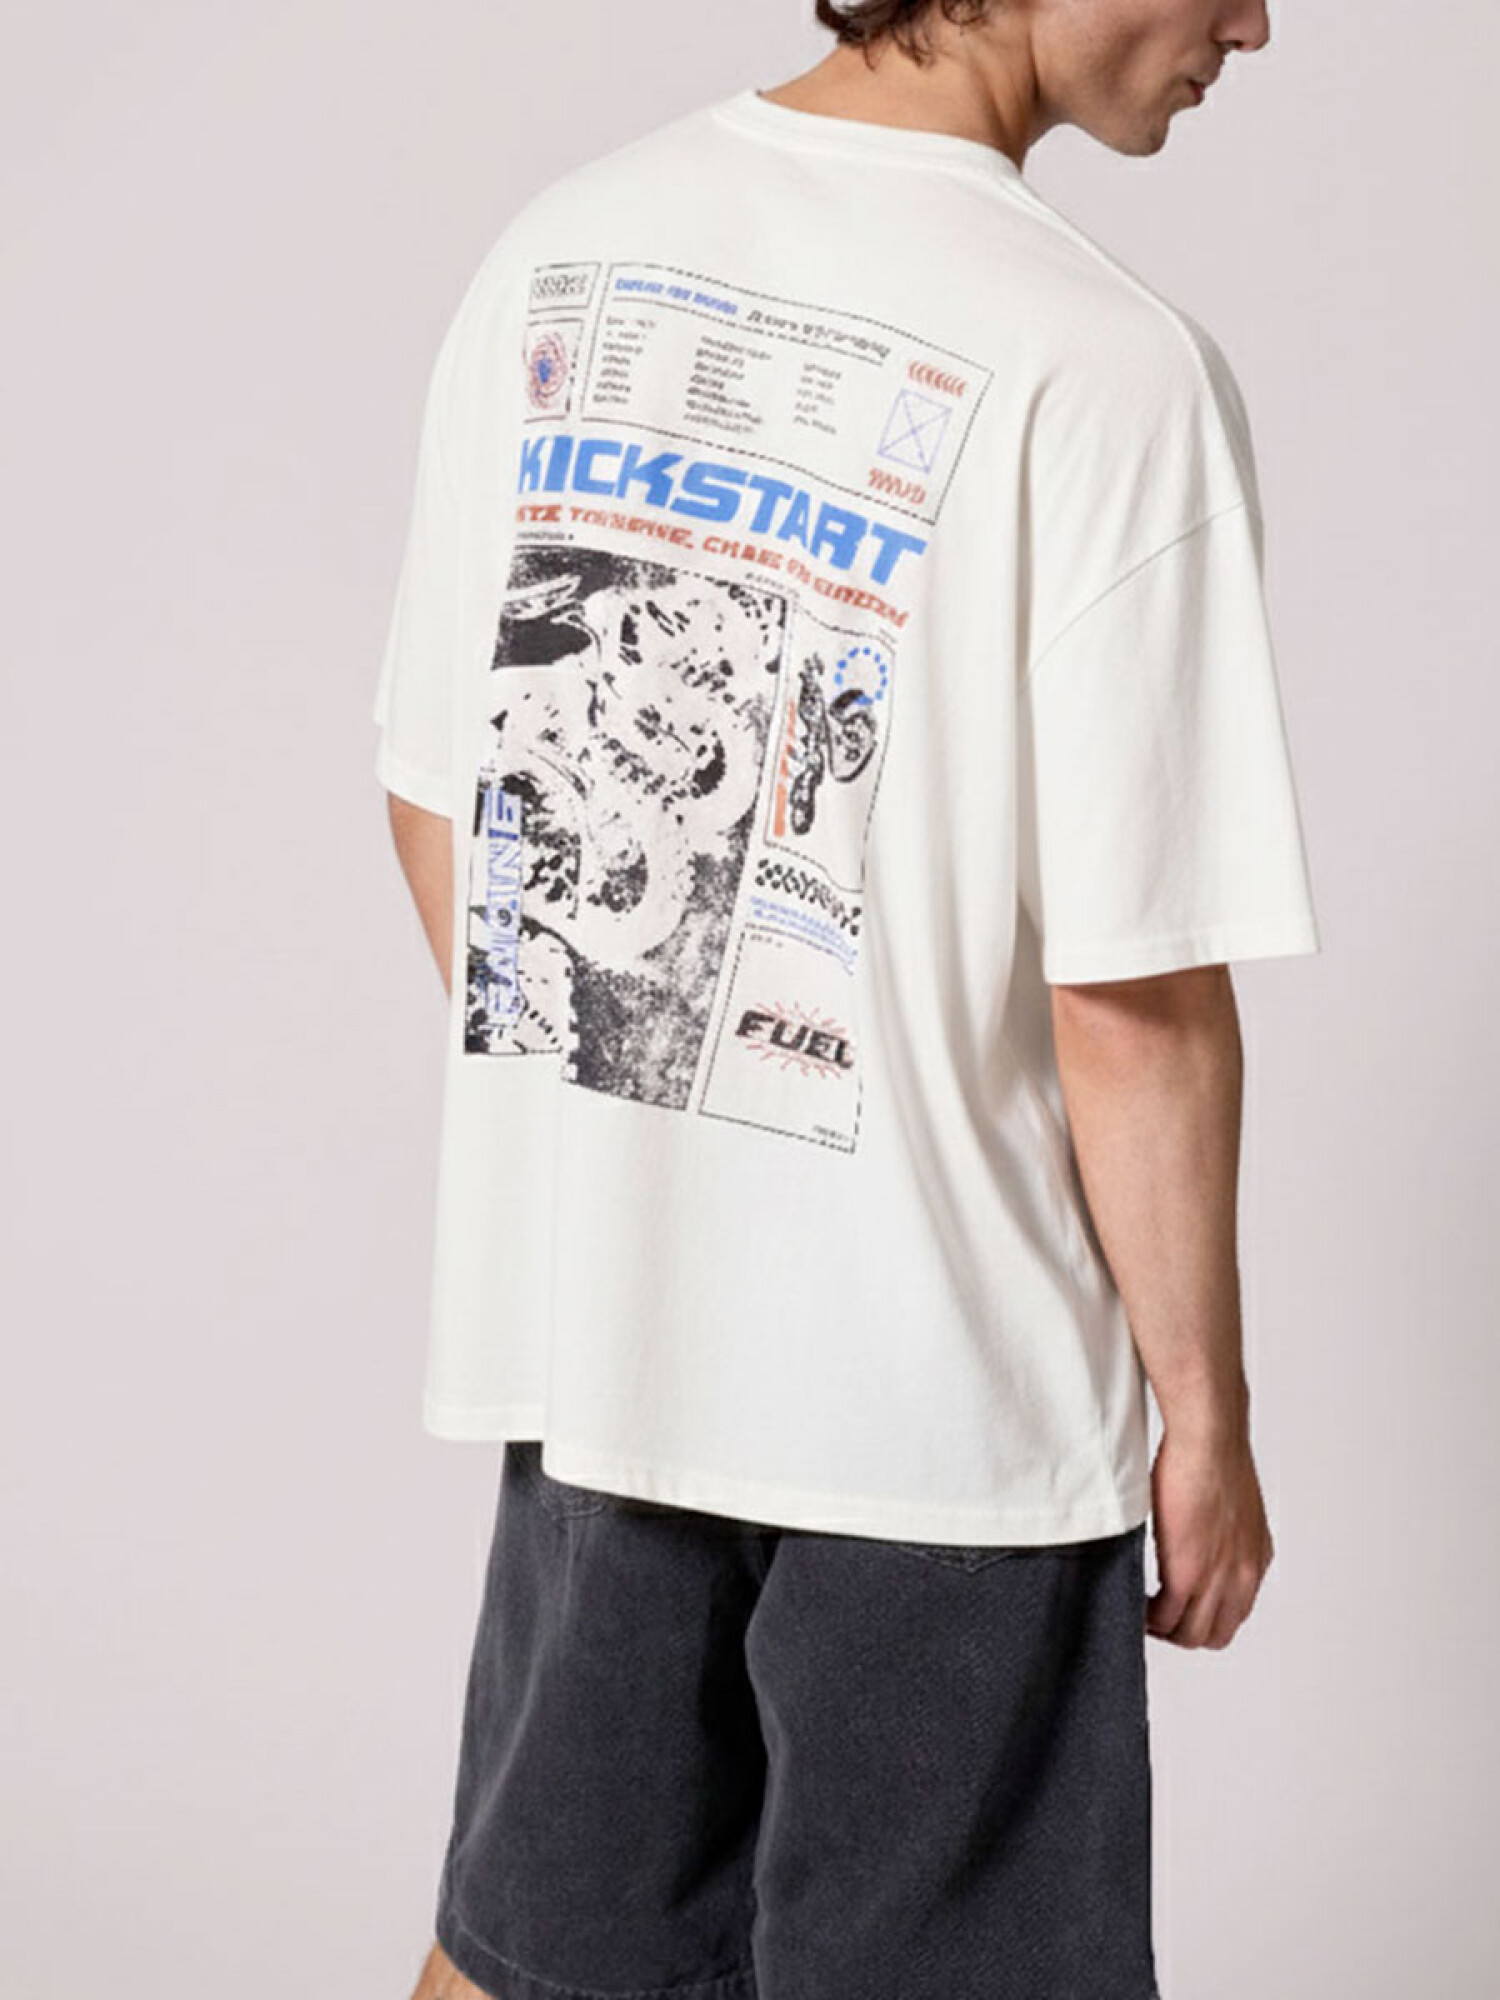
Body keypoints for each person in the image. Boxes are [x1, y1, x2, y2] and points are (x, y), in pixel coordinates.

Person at [374, 2, 1318, 1995]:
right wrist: (1208, 1416)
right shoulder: (1106, 368)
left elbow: (440, 803)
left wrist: (651, 1160)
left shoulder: (565, 250)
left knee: (529, 1959)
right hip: (943, 1414)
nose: (1256, 22)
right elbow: (1132, 994)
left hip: (609, 1356)